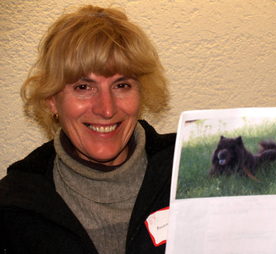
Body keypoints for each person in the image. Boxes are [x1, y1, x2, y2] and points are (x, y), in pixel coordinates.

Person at [0, 5, 176, 254]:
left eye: (122, 85)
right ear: (52, 100)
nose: (106, 109)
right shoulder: (14, 208)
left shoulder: (190, 173)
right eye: (84, 87)